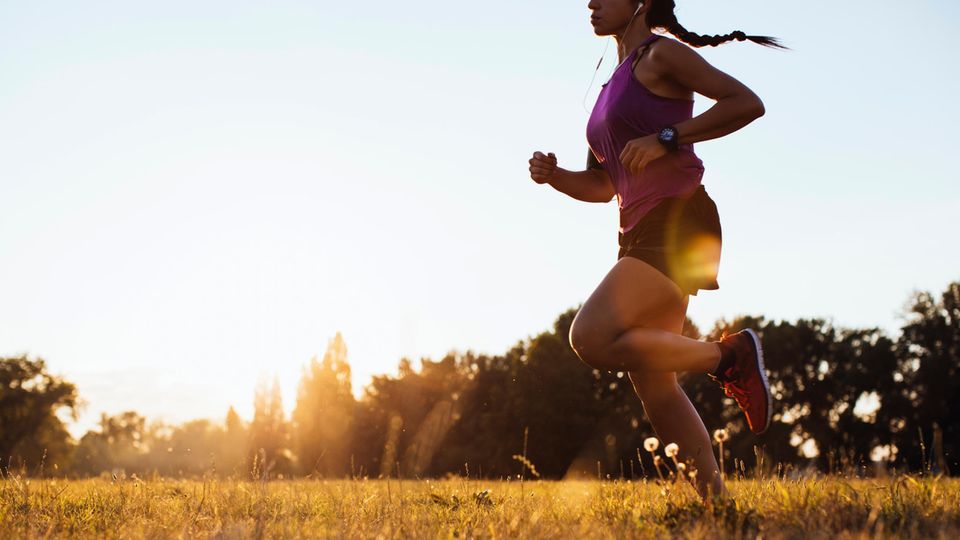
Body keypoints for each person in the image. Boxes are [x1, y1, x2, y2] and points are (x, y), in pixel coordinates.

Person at [527, 0, 788, 499]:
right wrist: (555, 177)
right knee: (655, 384)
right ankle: (717, 508)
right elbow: (604, 185)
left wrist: (668, 136)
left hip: (679, 218)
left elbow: (746, 103)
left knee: (591, 336)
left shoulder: (661, 55)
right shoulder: (610, 87)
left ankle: (727, 356)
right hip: (639, 229)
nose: (591, 3)